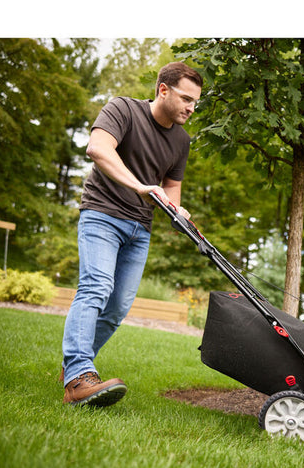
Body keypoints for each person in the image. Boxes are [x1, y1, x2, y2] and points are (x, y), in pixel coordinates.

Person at [61, 61, 203, 407]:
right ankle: (79, 375)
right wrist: (140, 186)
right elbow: (98, 149)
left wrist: (178, 212)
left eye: (196, 102)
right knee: (96, 286)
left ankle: (76, 369)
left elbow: (171, 192)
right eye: (186, 98)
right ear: (163, 90)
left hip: (139, 229)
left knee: (117, 308)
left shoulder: (182, 141)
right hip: (102, 215)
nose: (191, 107)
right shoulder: (123, 109)